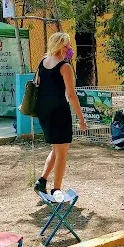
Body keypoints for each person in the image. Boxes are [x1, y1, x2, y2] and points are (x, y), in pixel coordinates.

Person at [32, 33, 88, 195]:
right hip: (59, 112)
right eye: (66, 45)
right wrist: (81, 119)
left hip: (44, 111)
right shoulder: (65, 67)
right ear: (57, 45)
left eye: (69, 45)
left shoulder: (42, 63)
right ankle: (56, 190)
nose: (69, 48)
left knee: (56, 149)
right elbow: (71, 95)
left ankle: (41, 181)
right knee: (62, 153)